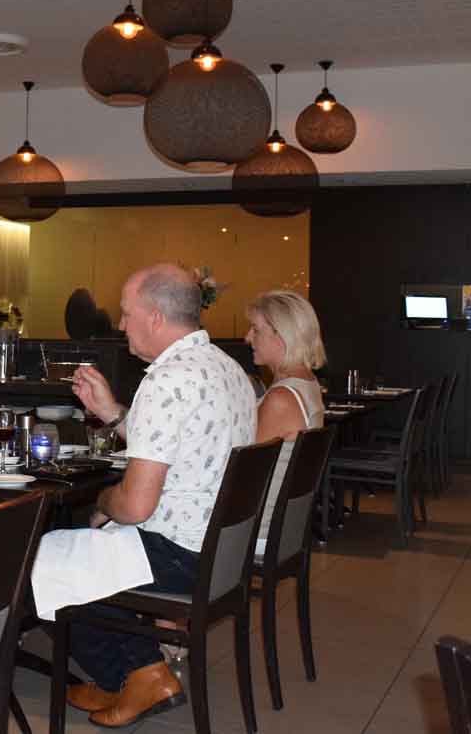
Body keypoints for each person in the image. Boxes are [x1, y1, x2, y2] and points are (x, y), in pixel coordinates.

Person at [57, 263, 258, 726]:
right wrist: (111, 411)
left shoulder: (165, 380)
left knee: (50, 556)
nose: (121, 323)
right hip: (223, 552)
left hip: (182, 555)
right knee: (83, 543)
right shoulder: (229, 370)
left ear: (154, 316)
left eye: (126, 313)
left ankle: (140, 674)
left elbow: (135, 506)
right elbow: (176, 444)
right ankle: (125, 679)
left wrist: (102, 504)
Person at [244, 289, 327, 552]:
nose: (248, 338)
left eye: (256, 329)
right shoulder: (308, 383)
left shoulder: (281, 398)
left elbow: (245, 476)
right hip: (285, 528)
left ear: (282, 336)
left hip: (258, 531)